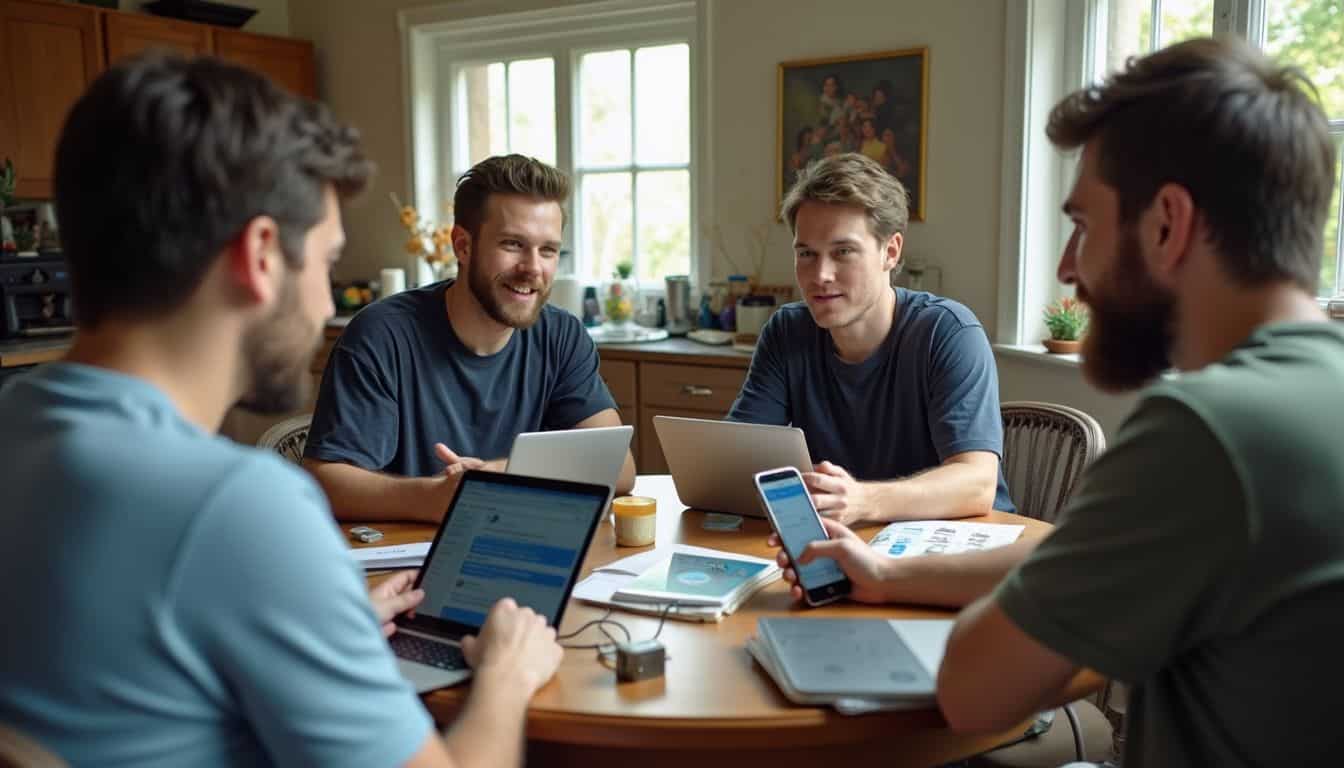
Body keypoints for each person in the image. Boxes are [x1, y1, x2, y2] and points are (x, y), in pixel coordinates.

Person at [774, 38, 1344, 766]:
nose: (1068, 268)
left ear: (1167, 224)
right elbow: (1072, 570)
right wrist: (887, 574)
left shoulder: (1205, 436)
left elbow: (974, 691)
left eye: (1082, 225)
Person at [0, 53, 564, 768]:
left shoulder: (15, 428)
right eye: (326, 264)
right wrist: (507, 677)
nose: (328, 304)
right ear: (262, 255)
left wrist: (320, 619)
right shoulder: (239, 509)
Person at [303, 154, 635, 523]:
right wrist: (433, 497)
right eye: (512, 244)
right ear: (462, 245)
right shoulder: (382, 335)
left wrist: (498, 477)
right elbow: (326, 483)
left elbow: (618, 468)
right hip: (405, 563)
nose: (532, 268)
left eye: (548, 250)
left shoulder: (562, 336)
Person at [729, 152, 1012, 525]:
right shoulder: (786, 332)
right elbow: (733, 460)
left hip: (959, 547)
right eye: (807, 254)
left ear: (890, 252)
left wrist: (864, 500)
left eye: (843, 252)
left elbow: (976, 485)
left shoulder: (949, 333)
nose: (821, 275)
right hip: (847, 541)